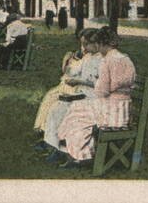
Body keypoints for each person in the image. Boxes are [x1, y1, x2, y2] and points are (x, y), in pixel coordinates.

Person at [55, 26, 136, 168]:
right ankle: (76, 152)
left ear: (103, 44)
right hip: (122, 107)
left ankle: (80, 156)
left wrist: (96, 86)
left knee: (77, 116)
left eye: (99, 45)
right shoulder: (124, 58)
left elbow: (102, 90)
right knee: (76, 109)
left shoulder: (108, 61)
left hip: (113, 112)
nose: (99, 49)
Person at [35, 29, 102, 161]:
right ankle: (54, 146)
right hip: (81, 94)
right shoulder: (88, 57)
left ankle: (68, 152)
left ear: (96, 44)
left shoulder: (103, 59)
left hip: (93, 97)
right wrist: (69, 63)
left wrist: (79, 81)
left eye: (86, 45)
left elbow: (101, 84)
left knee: (66, 112)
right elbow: (73, 71)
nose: (84, 48)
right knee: (56, 109)